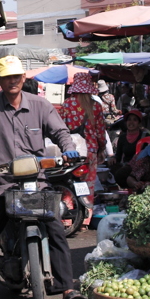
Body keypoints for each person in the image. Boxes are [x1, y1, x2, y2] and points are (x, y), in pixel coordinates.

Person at [0, 55, 88, 299]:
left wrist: (68, 148)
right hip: (3, 184)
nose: (12, 81)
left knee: (56, 231)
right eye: (6, 77)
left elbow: (61, 132)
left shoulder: (41, 105)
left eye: (16, 76)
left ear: (23, 78)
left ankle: (67, 288)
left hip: (36, 183)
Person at [58, 73, 107, 209]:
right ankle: (86, 217)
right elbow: (101, 133)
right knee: (88, 185)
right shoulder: (96, 106)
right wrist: (102, 148)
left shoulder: (67, 104)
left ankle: (67, 216)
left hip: (71, 151)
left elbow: (59, 128)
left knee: (68, 184)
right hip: (90, 151)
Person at [110, 109, 150, 188]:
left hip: (140, 167)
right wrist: (113, 158)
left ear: (139, 123)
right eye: (129, 120)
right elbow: (118, 155)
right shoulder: (122, 137)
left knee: (121, 174)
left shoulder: (145, 136)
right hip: (126, 165)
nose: (131, 122)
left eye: (134, 120)